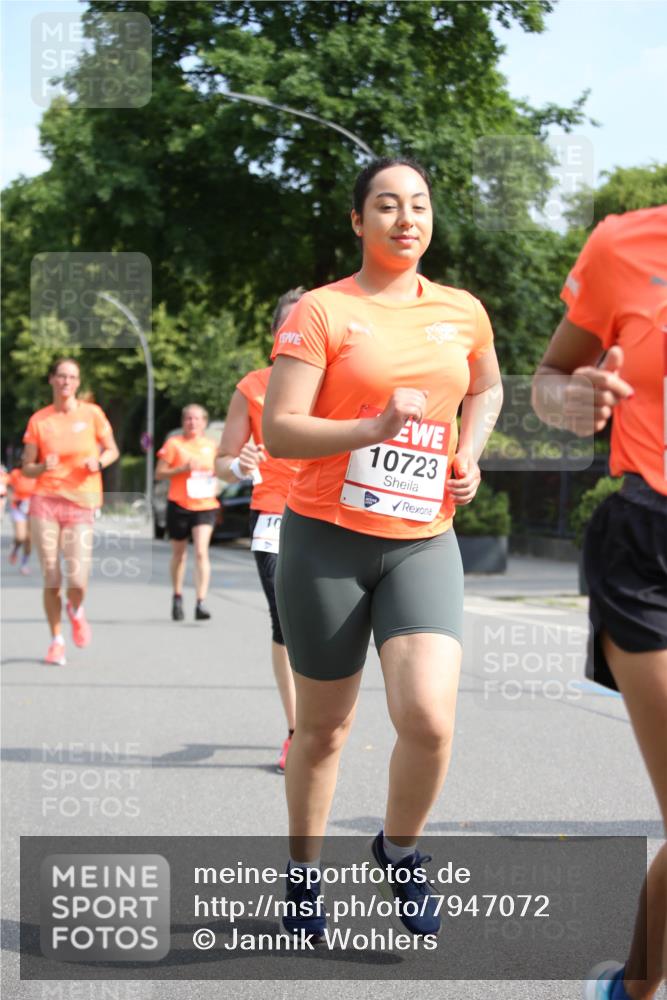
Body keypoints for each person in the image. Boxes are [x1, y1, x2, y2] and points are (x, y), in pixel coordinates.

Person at [262, 158, 502, 938]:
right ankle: (302, 874)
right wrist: (369, 429)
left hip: (422, 539)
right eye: (387, 206)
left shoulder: (463, 311)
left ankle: (399, 851)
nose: (406, 218)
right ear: (357, 221)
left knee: (428, 720)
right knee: (324, 728)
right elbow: (280, 427)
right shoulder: (321, 311)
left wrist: (469, 453)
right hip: (325, 540)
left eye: (419, 205)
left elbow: (486, 387)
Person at [532, 205, 667, 1000]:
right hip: (646, 547)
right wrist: (570, 402)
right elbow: (551, 378)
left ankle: (628, 988)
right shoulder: (624, 243)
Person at [216, 288, 305, 774]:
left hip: (329, 514)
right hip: (272, 513)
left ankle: (322, 720)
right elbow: (223, 460)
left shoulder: (337, 382)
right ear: (276, 335)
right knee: (286, 622)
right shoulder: (251, 386)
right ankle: (298, 731)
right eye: (293, 324)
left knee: (324, 625)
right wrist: (239, 464)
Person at [21, 357, 119, 666]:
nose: (66, 382)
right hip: (46, 501)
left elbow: (112, 449)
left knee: (77, 578)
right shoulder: (40, 420)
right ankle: (56, 640)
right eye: (61, 376)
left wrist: (99, 462)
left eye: (72, 377)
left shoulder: (92, 414)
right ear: (51, 380)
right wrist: (41, 466)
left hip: (81, 501)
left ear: (78, 382)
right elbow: (26, 467)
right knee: (52, 577)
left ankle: (76, 610)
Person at [155, 404, 219, 621]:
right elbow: (159, 473)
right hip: (179, 504)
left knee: (201, 552)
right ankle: (177, 595)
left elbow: (222, 470)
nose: (192, 423)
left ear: (204, 422)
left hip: (205, 505)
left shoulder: (212, 446)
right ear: (183, 422)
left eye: (197, 419)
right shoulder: (174, 444)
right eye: (189, 419)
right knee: (179, 554)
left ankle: (201, 601)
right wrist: (182, 469)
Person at [7, 465, 37, 573]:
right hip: (18, 508)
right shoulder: (16, 473)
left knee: (29, 540)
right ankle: (15, 550)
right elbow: (9, 488)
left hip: (34, 509)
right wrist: (13, 499)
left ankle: (24, 563)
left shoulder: (39, 473)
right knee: (20, 536)